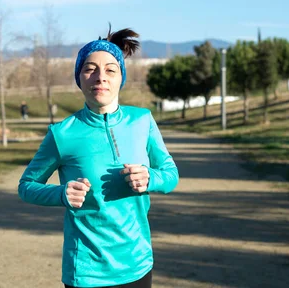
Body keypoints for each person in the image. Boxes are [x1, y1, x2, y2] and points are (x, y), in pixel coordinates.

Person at [18, 26, 179, 288]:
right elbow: (26, 186)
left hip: (137, 264)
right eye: (90, 68)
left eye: (110, 70)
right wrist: (61, 194)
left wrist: (151, 178)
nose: (100, 77)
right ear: (79, 77)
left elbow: (171, 175)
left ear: (120, 78)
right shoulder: (62, 134)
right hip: (86, 272)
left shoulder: (142, 121)